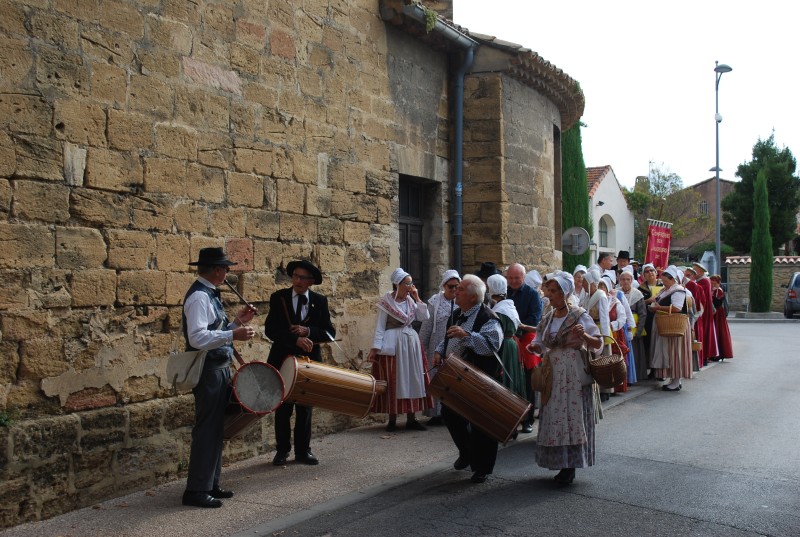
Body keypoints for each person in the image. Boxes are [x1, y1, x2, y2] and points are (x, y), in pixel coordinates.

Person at [182, 247, 257, 508]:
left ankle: (209, 484)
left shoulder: (208, 295)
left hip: (218, 368)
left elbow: (216, 332)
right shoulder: (199, 297)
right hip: (208, 371)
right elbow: (198, 338)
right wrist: (232, 335)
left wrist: (236, 323)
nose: (227, 272)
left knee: (215, 430)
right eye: (225, 268)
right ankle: (196, 491)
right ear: (216, 270)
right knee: (207, 430)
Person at [527, 272, 603, 485]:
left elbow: (598, 344)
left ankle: (570, 466)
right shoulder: (548, 317)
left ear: (564, 293)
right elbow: (540, 341)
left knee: (572, 417)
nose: (548, 295)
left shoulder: (579, 315)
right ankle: (560, 462)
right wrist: (535, 346)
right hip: (553, 371)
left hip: (573, 373)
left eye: (552, 291)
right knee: (555, 416)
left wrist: (585, 336)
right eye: (548, 290)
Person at [433, 274, 503, 484]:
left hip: (479, 377)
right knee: (450, 413)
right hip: (457, 376)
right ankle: (467, 452)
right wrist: (439, 350)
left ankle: (482, 468)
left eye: (461, 289)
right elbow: (448, 338)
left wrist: (467, 336)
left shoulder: (488, 317)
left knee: (481, 422)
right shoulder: (457, 313)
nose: (457, 291)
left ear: (473, 297)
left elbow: (491, 347)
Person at [266, 260, 336, 466]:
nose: (297, 280)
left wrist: (309, 332)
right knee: (283, 406)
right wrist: (294, 339)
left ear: (311, 281)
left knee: (305, 407)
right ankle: (282, 450)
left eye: (303, 277)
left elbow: (330, 333)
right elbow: (270, 330)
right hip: (283, 359)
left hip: (308, 362)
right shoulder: (278, 298)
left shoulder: (319, 301)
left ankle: (303, 451)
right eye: (295, 276)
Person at [368, 268, 432, 431]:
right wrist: (375, 348)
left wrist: (417, 297)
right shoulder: (387, 302)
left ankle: (412, 417)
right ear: (398, 284)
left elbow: (424, 317)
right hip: (394, 344)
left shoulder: (411, 301)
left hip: (411, 343)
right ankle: (392, 419)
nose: (411, 286)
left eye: (411, 283)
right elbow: (380, 326)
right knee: (394, 379)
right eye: (408, 283)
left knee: (413, 378)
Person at [418, 269, 461, 425]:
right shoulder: (434, 302)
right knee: (436, 376)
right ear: (444, 286)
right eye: (451, 287)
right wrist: (421, 347)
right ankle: (436, 414)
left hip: (455, 345)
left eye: (457, 286)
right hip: (437, 342)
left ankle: (452, 412)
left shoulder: (462, 302)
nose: (454, 290)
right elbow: (427, 327)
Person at [506, 262, 543, 434]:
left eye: (517, 278)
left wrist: (517, 326)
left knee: (528, 380)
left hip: (526, 339)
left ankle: (528, 419)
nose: (513, 281)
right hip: (509, 338)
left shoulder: (532, 294)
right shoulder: (504, 292)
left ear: (523, 277)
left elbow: (534, 319)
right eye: (511, 278)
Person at [649, 265, 692, 391]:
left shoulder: (677, 290)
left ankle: (676, 380)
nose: (663, 282)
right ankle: (673, 379)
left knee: (676, 353)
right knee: (670, 352)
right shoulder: (665, 290)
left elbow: (677, 308)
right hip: (667, 326)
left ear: (672, 279)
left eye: (665, 280)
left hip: (675, 325)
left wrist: (658, 308)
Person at [487, 274, 526, 400]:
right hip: (512, 346)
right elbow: (518, 331)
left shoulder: (500, 311)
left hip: (504, 347)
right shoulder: (509, 307)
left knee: (504, 379)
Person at [618, 269, 648, 382]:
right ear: (620, 280)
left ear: (632, 281)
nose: (625, 282)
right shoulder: (616, 292)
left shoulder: (637, 294)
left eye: (628, 279)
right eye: (623, 279)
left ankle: (635, 377)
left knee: (635, 352)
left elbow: (643, 314)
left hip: (634, 326)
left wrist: (638, 331)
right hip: (621, 327)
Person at [692, 262, 719, 364]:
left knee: (705, 332)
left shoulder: (704, 281)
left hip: (705, 312)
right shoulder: (702, 281)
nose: (694, 272)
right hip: (704, 310)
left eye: (696, 270)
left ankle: (706, 355)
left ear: (701, 271)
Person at [710, 275, 734, 361]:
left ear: (717, 282)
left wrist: (710, 296)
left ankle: (719, 353)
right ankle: (716, 353)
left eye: (714, 282)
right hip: (716, 313)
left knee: (719, 331)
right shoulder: (714, 290)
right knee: (715, 332)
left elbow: (717, 303)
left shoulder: (718, 290)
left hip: (718, 314)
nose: (712, 283)